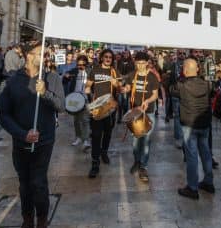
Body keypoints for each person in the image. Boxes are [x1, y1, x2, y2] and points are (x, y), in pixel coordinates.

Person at [0, 43, 65, 228]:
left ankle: (42, 225)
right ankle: (27, 222)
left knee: (38, 182)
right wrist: (22, 134)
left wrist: (45, 93)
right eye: (39, 53)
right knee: (24, 183)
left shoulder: (52, 78)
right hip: (21, 141)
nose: (44, 56)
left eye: (45, 53)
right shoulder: (13, 80)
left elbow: (61, 106)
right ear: (28, 55)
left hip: (44, 141)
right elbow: (3, 114)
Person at [171, 58, 214, 200]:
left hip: (189, 125)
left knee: (192, 156)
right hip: (204, 124)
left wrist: (179, 77)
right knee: (206, 153)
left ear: (184, 70)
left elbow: (171, 90)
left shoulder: (181, 85)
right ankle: (208, 182)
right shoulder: (207, 84)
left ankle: (192, 187)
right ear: (197, 69)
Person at [123, 51, 159, 182]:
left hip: (148, 112)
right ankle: (137, 161)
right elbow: (128, 87)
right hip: (135, 112)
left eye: (143, 63)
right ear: (135, 63)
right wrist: (124, 89)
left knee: (146, 141)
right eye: (138, 63)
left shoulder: (152, 77)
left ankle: (143, 166)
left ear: (147, 63)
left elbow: (155, 95)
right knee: (136, 141)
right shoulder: (132, 75)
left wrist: (147, 101)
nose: (140, 66)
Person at [85, 49, 119, 178]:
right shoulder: (95, 70)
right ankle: (95, 163)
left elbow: (121, 88)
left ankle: (104, 152)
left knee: (108, 132)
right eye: (106, 56)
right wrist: (88, 94)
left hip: (110, 108)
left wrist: (117, 84)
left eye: (110, 57)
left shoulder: (114, 71)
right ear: (101, 58)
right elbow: (88, 86)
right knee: (96, 135)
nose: (108, 59)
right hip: (97, 107)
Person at [65, 55, 91, 149]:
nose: (81, 66)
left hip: (86, 98)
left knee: (85, 120)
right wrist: (66, 76)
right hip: (75, 98)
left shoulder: (90, 72)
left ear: (86, 64)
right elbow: (65, 78)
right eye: (79, 64)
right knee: (76, 120)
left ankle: (86, 140)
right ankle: (78, 137)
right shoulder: (74, 71)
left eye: (83, 64)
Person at [167, 49, 187, 148]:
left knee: (186, 115)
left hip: (187, 94)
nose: (182, 55)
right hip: (176, 94)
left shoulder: (189, 64)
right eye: (180, 53)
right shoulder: (173, 65)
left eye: (184, 53)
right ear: (177, 54)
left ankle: (185, 137)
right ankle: (179, 138)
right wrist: (171, 90)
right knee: (177, 116)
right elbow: (169, 78)